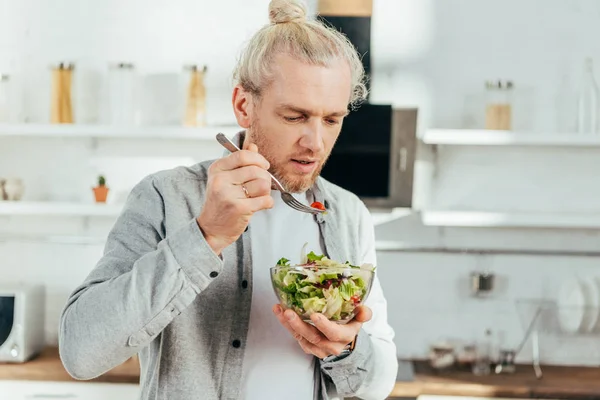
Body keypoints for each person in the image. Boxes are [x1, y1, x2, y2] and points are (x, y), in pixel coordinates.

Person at [58, 0, 398, 399]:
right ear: (243, 105)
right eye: (294, 116)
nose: (315, 143)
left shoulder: (347, 214)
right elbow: (80, 352)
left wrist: (346, 348)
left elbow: (378, 383)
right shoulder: (167, 197)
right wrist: (205, 236)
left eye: (331, 119)